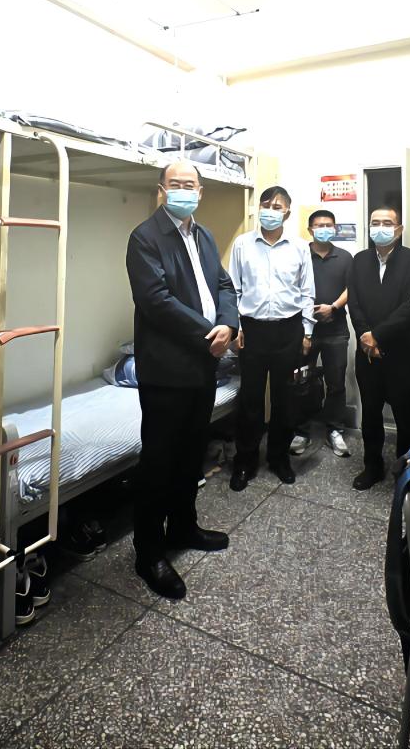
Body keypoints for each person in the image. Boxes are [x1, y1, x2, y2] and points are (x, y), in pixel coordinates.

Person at [125, 161, 239, 599]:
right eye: (175, 184)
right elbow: (155, 301)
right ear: (161, 190)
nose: (183, 191)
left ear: (201, 191)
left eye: (190, 185)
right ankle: (148, 553)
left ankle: (183, 527)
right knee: (159, 463)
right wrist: (209, 334)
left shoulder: (204, 236)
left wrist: (228, 323)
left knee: (191, 454)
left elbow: (224, 285)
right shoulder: (145, 238)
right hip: (167, 370)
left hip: (203, 366)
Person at [228, 186, 315, 490]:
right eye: (266, 204)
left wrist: (307, 331)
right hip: (252, 330)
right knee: (250, 399)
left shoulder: (300, 247)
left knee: (285, 400)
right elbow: (233, 289)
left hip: (288, 331)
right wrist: (235, 327)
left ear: (287, 212)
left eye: (277, 206)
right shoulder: (242, 244)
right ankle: (245, 461)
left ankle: (279, 458)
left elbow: (307, 292)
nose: (270, 210)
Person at [347, 204, 410, 490]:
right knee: (371, 413)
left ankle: (407, 470)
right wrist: (365, 335)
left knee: (406, 416)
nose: (380, 228)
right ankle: (372, 466)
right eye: (375, 222)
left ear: (399, 229)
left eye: (387, 223)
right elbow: (354, 302)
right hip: (367, 354)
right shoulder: (360, 259)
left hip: (401, 353)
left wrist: (377, 335)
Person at [289, 209, 353, 458]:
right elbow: (290, 286)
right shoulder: (299, 254)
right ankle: (301, 431)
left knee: (336, 383)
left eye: (328, 225)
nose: (324, 229)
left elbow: (352, 287)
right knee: (301, 380)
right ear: (310, 229)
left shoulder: (345, 257)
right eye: (319, 225)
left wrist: (333, 307)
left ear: (334, 228)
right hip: (304, 331)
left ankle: (334, 429)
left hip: (336, 330)